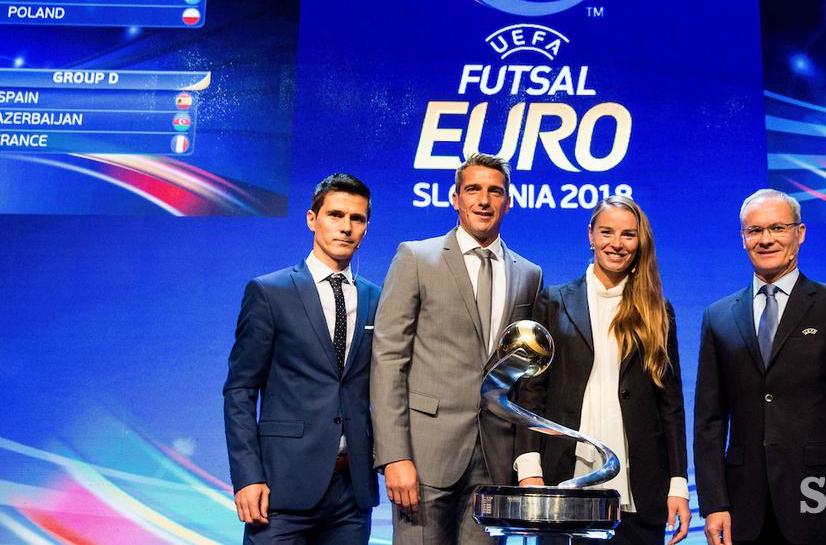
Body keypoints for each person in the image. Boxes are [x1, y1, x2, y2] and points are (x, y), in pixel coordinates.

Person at [694, 189, 826, 545]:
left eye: (778, 228)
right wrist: (713, 504)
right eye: (755, 231)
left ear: (800, 233)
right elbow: (709, 421)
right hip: (742, 509)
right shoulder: (718, 316)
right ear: (743, 239)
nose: (766, 239)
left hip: (821, 503)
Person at [370, 153, 543, 545]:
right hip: (425, 456)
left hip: (494, 459)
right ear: (455, 198)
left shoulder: (529, 275)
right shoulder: (416, 258)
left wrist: (525, 460)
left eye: (494, 191)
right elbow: (388, 359)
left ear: (509, 201)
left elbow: (525, 377)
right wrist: (395, 456)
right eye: (473, 190)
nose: (484, 200)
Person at [514, 195, 691, 544]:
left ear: (640, 242)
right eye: (607, 232)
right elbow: (531, 391)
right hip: (565, 479)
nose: (617, 244)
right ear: (591, 235)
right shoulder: (554, 301)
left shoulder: (658, 309)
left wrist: (678, 485)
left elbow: (670, 404)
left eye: (628, 235)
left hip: (638, 490)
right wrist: (529, 467)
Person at [223, 173, 380, 544]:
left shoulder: (377, 297)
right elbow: (240, 390)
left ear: (366, 227)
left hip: (351, 493)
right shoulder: (269, 292)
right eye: (335, 215)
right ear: (313, 219)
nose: (345, 227)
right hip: (280, 490)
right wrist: (248, 477)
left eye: (356, 219)